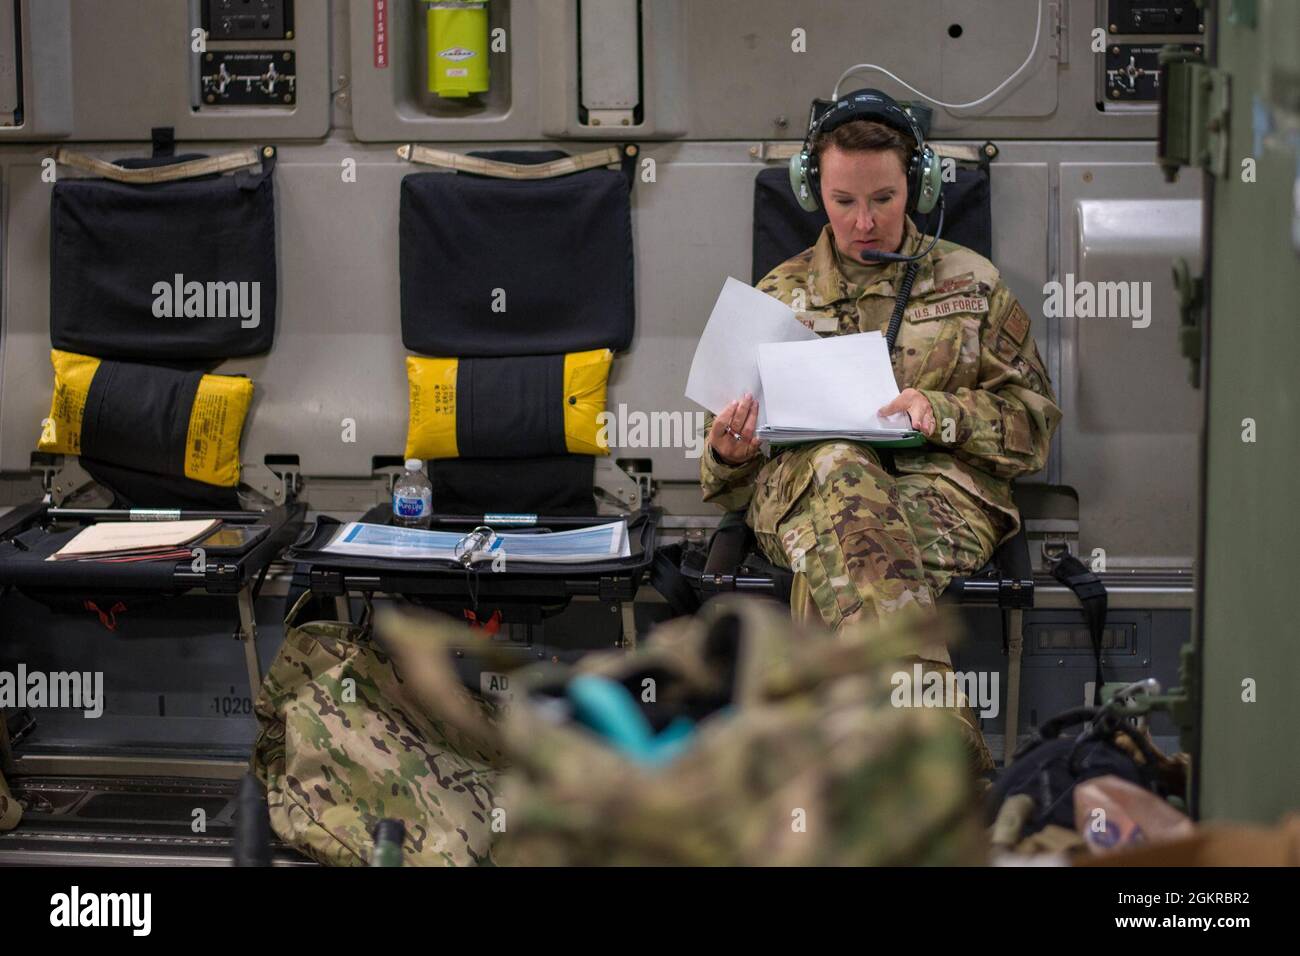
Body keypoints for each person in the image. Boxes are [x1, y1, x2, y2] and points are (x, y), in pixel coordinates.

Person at [699, 91, 1062, 768]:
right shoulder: (778, 296)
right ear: (814, 194)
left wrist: (946, 411)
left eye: (885, 199)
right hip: (807, 483)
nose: (864, 222)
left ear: (918, 187)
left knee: (839, 549)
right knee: (840, 464)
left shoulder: (973, 285)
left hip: (943, 496)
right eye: (843, 202)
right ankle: (947, 773)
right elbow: (722, 483)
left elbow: (1035, 428)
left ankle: (827, 796)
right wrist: (727, 451)